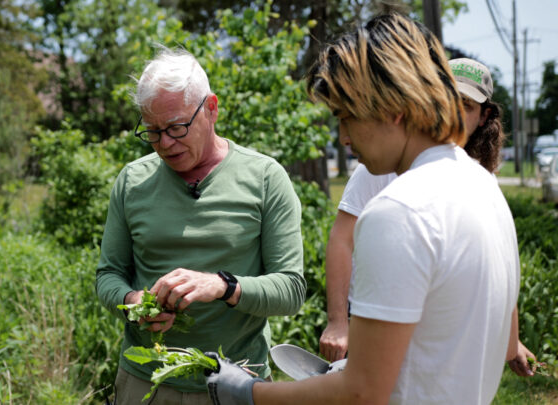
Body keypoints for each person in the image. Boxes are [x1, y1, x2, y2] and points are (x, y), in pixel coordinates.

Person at [205, 13, 521, 404]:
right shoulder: (483, 187)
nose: (344, 137)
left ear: (393, 108)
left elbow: (361, 392)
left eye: (346, 116)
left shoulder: (399, 211)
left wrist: (249, 392)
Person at [96, 46, 307, 404]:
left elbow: (290, 290)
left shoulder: (264, 178)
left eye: (177, 127)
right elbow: (108, 276)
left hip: (236, 382)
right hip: (147, 383)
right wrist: (134, 303)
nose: (164, 143)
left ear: (211, 108)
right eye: (152, 131)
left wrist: (223, 286)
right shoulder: (133, 181)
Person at [318, 57, 537, 377]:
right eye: (446, 99)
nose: (453, 113)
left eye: (465, 105)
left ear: (484, 116)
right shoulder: (381, 163)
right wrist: (339, 322)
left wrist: (510, 337)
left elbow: (497, 262)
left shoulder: (484, 182)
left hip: (437, 338)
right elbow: (342, 239)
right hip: (374, 319)